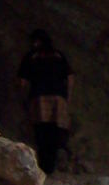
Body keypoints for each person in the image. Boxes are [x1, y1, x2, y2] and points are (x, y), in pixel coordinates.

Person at [17, 29, 73, 175]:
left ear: (37, 41)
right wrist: (67, 98)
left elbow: (22, 82)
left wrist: (23, 99)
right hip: (58, 99)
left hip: (39, 98)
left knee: (41, 132)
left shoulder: (32, 57)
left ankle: (44, 167)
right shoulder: (59, 56)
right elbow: (70, 78)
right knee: (55, 131)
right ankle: (53, 165)